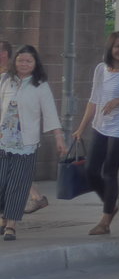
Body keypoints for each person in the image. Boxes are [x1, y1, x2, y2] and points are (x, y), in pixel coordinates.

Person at [72, 31, 119, 236]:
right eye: (117, 46)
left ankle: (104, 222)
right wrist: (81, 128)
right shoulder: (101, 69)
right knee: (91, 171)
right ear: (110, 49)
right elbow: (93, 100)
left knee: (109, 172)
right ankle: (110, 204)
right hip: (100, 126)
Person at [0, 45, 68, 241]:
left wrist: (59, 137)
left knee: (18, 185)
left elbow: (50, 113)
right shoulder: (5, 80)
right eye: (21, 60)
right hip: (3, 140)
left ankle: (11, 225)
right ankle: (3, 218)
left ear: (35, 63)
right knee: (2, 182)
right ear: (15, 62)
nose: (24, 64)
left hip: (26, 144)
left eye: (28, 61)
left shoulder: (40, 85)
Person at [0, 40, 49, 214]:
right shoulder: (7, 76)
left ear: (6, 54)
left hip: (19, 135)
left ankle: (10, 217)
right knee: (12, 175)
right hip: (6, 134)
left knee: (15, 175)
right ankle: (35, 198)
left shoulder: (10, 75)